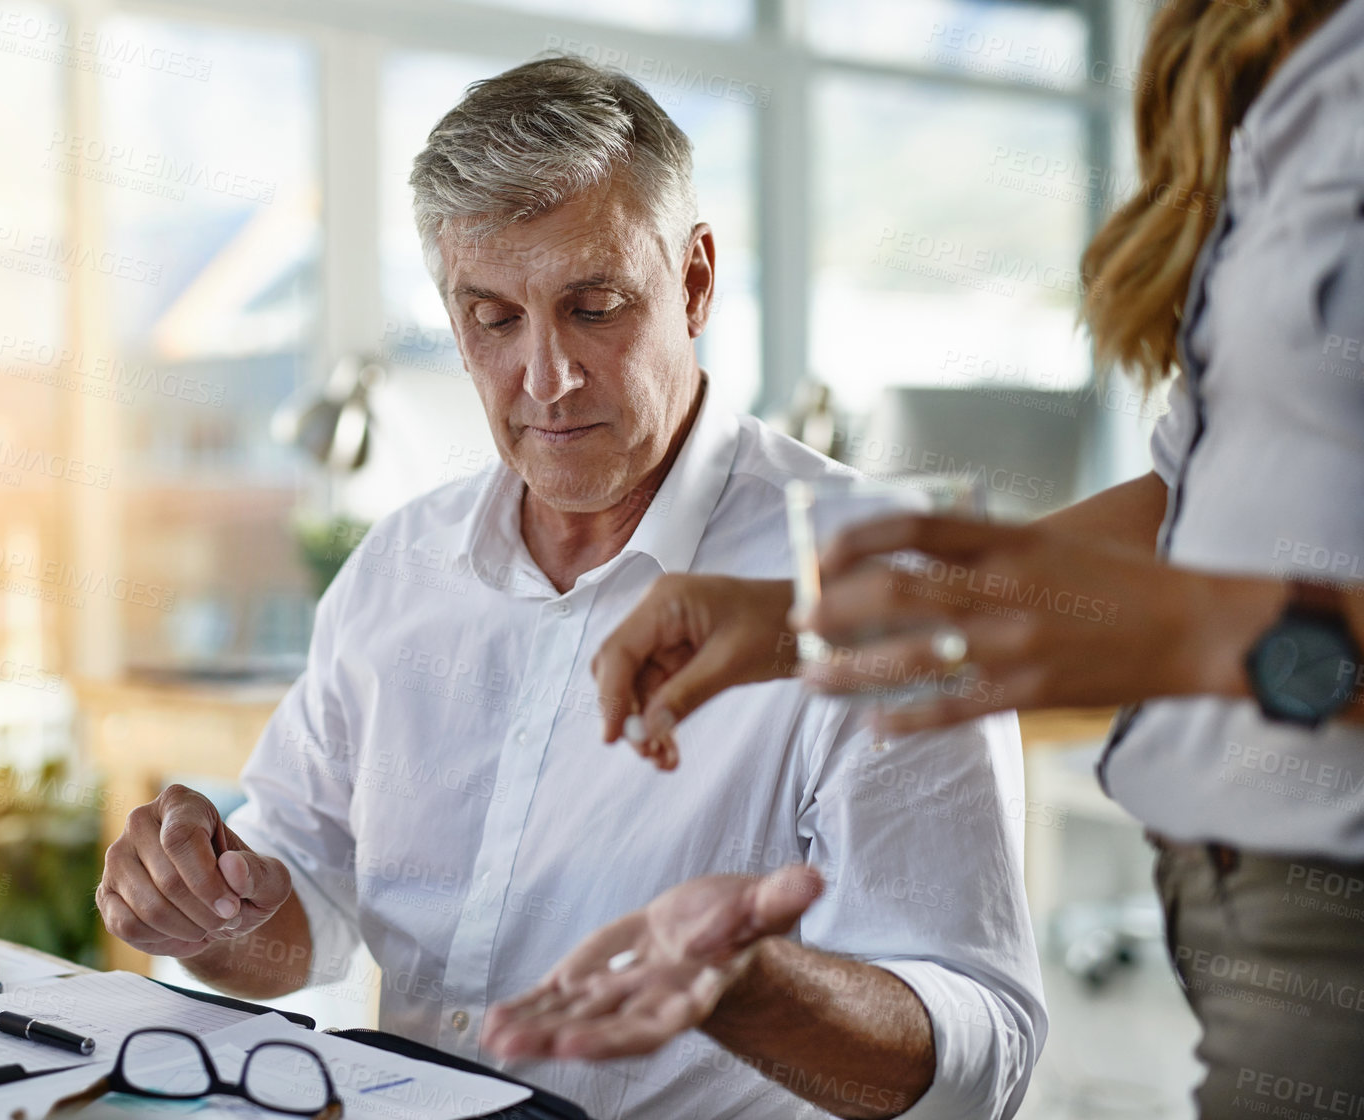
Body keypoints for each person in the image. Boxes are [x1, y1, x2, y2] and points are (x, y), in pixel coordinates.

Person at [98, 57, 1045, 1119]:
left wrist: (743, 986)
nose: (543, 377)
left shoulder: (872, 578)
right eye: (493, 319)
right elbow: (303, 907)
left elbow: (981, 1052)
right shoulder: (395, 572)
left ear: (691, 282)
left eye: (592, 306)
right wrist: (209, 908)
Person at [484, 3, 1364, 1115]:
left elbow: (967, 1037)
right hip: (1250, 912)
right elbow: (1199, 500)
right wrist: (819, 615)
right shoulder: (1271, 64)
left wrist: (1208, 638)